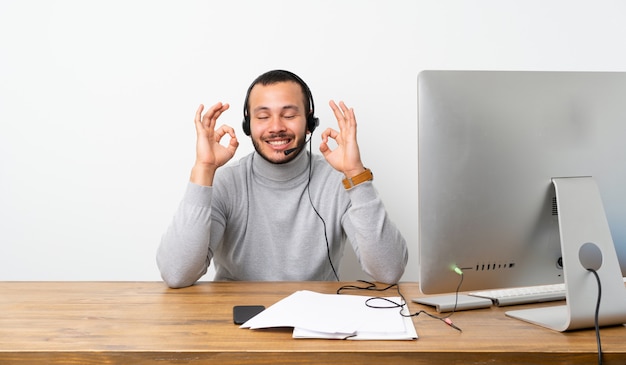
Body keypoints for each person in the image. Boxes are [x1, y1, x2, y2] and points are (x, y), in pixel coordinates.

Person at [157, 70, 407, 288]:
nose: (275, 127)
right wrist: (203, 168)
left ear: (309, 123)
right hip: (236, 321)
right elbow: (176, 274)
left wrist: (355, 174)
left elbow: (388, 271)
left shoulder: (338, 182)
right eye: (263, 117)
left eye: (288, 115)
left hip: (317, 323)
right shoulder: (225, 182)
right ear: (248, 125)